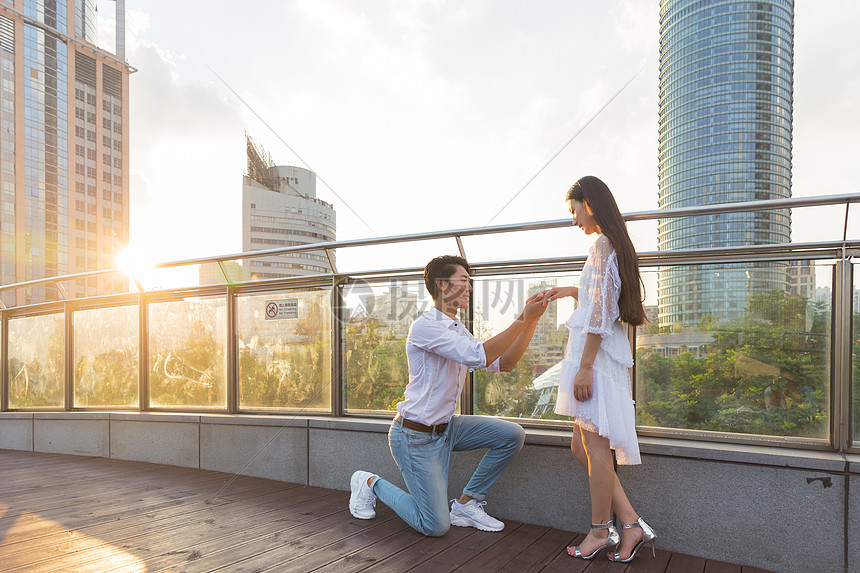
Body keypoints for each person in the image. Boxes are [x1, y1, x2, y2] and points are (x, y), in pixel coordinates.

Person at [349, 255, 546, 536]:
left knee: (511, 435)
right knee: (434, 526)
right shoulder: (425, 326)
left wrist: (531, 322)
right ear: (442, 285)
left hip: (447, 429)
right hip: (415, 436)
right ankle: (369, 482)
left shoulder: (457, 329)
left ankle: (466, 504)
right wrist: (521, 318)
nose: (469, 287)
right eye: (463, 280)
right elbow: (481, 355)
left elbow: (505, 362)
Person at [529, 176, 656, 562]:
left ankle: (601, 530)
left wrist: (584, 368)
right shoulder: (612, 243)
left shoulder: (602, 244)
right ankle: (631, 522)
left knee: (595, 447)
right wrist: (571, 291)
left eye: (573, 210)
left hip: (595, 358)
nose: (573, 219)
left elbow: (601, 313)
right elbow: (604, 297)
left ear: (590, 203)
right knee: (581, 447)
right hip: (600, 354)